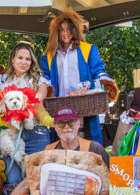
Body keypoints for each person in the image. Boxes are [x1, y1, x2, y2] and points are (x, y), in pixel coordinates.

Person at [4, 107, 118, 195]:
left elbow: (113, 183)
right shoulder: (48, 152)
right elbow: (28, 182)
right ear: (55, 126)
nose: (66, 127)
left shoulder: (94, 149)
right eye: (61, 123)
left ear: (78, 123)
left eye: (71, 122)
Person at [40, 8, 118, 145]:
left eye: (69, 29)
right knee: (60, 142)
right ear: (56, 32)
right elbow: (45, 77)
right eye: (62, 30)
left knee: (86, 141)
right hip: (59, 106)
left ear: (75, 30)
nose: (65, 33)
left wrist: (105, 82)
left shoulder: (88, 49)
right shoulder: (48, 55)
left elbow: (98, 70)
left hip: (84, 105)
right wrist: (47, 87)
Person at [0, 38, 52, 195]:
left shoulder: (39, 81)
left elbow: (38, 106)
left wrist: (51, 121)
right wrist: (8, 119)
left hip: (36, 134)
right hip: (9, 135)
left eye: (28, 59)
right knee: (13, 180)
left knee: (36, 179)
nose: (24, 62)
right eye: (20, 57)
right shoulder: (0, 80)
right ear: (12, 59)